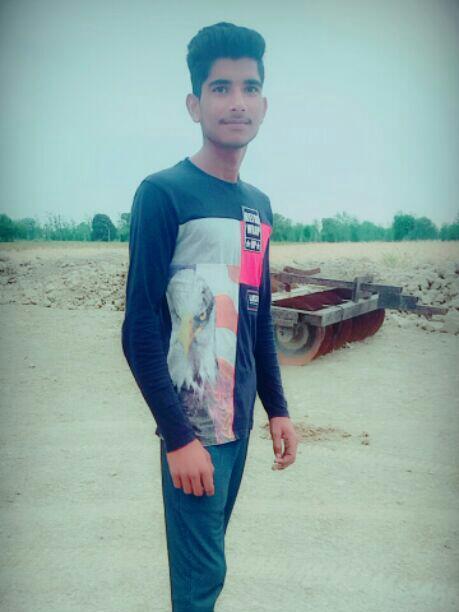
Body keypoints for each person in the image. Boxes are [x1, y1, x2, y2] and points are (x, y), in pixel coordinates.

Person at [121, 21, 298, 612]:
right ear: (195, 104)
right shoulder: (164, 193)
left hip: (239, 422)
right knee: (201, 583)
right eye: (220, 88)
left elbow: (257, 317)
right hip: (193, 425)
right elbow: (139, 328)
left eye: (250, 87)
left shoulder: (258, 207)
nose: (237, 101)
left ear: (264, 105)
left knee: (208, 569)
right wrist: (178, 438)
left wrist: (277, 408)